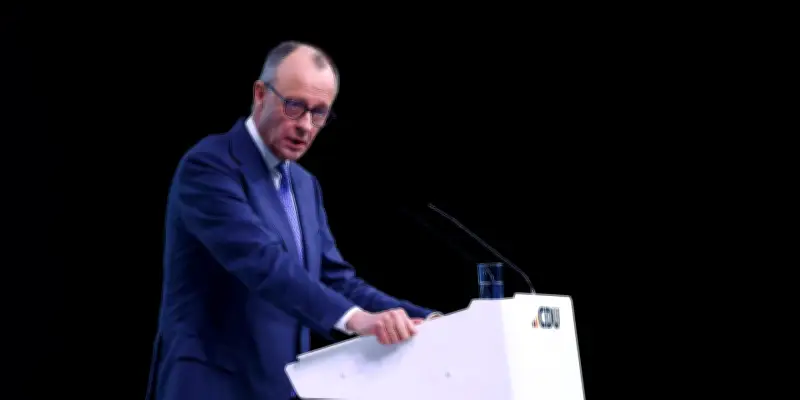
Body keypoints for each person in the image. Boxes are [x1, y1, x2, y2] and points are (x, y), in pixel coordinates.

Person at [145, 41, 441, 400]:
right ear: (260, 94)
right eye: (294, 106)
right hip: (211, 385)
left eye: (319, 113)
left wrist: (430, 321)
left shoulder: (304, 185)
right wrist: (356, 319)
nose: (305, 126)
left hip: (280, 387)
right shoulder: (209, 166)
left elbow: (335, 279)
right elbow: (262, 261)